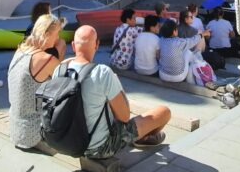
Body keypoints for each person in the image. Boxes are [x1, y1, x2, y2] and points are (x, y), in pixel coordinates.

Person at [60, 25, 171, 159]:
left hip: (68, 141)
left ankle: (143, 138)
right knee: (164, 112)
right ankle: (141, 139)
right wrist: (119, 88)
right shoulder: (103, 73)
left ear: (72, 46)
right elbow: (124, 117)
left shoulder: (60, 70)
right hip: (98, 148)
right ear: (97, 45)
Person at [8, 13, 65, 149]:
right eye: (56, 34)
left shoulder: (21, 50)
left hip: (15, 128)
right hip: (32, 132)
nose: (57, 38)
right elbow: (65, 82)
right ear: (46, 34)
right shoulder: (46, 60)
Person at [157, 19, 203, 83]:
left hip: (163, 75)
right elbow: (192, 41)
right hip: (178, 77)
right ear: (174, 31)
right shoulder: (179, 42)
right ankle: (192, 80)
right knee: (188, 52)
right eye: (176, 29)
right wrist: (202, 34)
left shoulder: (161, 40)